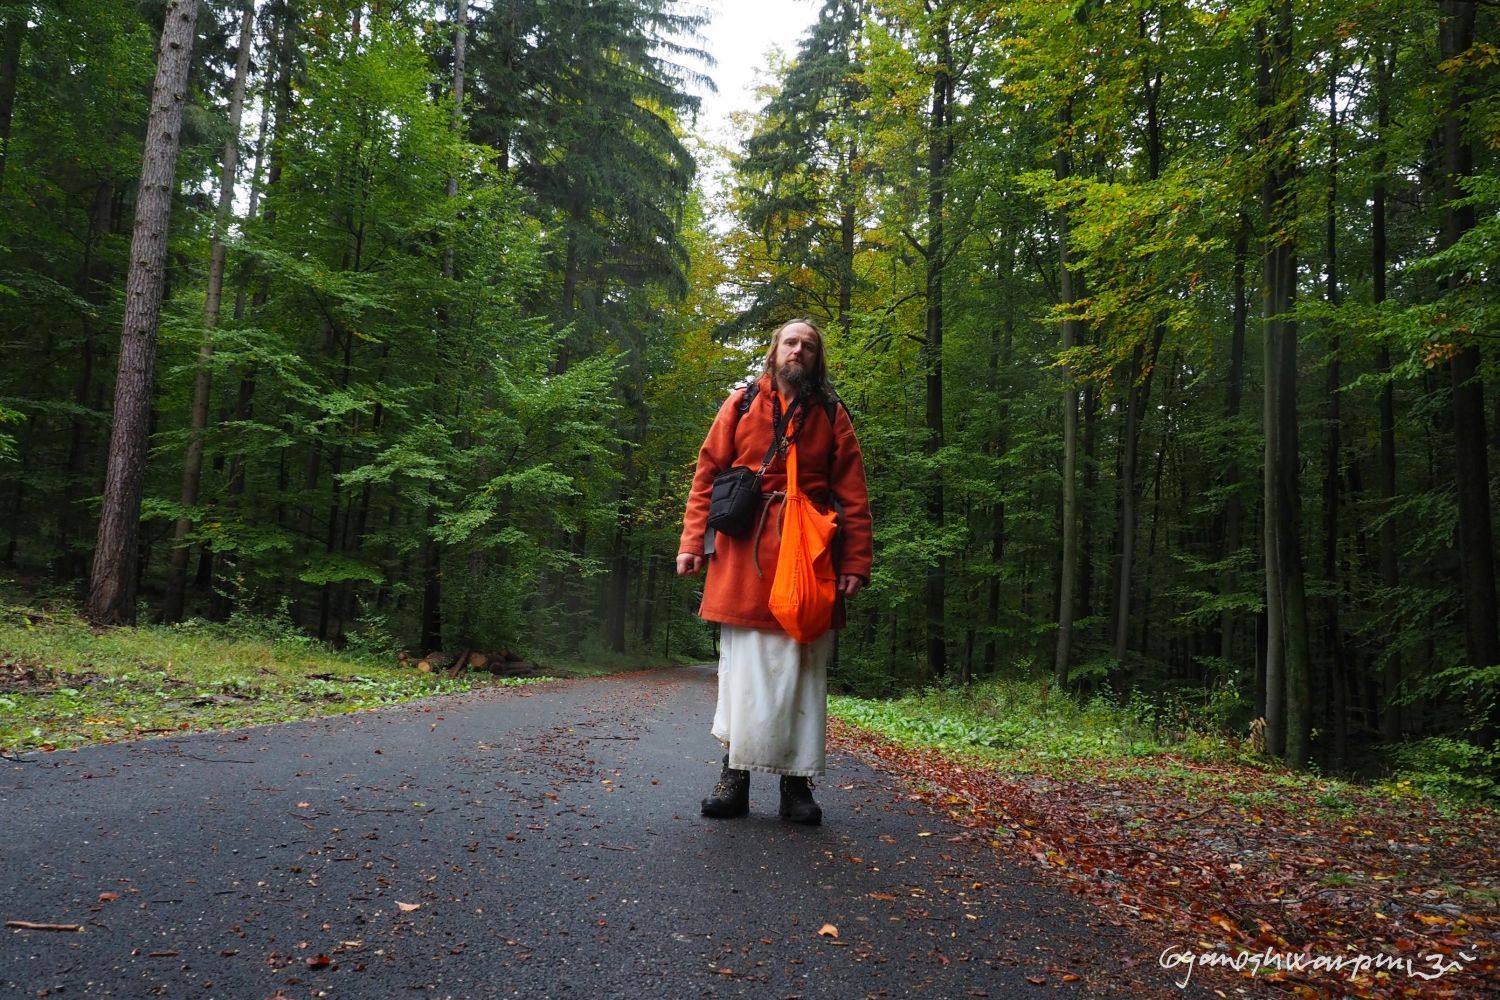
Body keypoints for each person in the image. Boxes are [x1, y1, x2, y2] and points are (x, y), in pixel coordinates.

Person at [676, 319, 873, 825]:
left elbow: (852, 494)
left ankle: (796, 785)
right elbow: (707, 475)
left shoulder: (832, 414)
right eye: (791, 342)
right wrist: (693, 543)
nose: (798, 350)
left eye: (808, 346)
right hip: (744, 552)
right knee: (742, 669)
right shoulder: (740, 404)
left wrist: (855, 562)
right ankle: (733, 776)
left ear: (816, 358)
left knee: (800, 670)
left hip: (810, 554)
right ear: (774, 350)